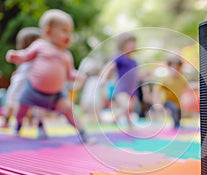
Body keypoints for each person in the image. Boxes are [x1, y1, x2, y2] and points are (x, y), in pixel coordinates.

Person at [5, 9, 88, 142]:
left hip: (56, 94)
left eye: (70, 31)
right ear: (48, 31)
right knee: (21, 108)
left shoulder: (66, 55)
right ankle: (18, 124)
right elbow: (26, 55)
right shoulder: (40, 45)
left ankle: (83, 133)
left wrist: (78, 75)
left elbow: (70, 73)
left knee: (68, 109)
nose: (69, 35)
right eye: (64, 31)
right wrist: (16, 56)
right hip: (32, 89)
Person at [1, 27, 42, 130]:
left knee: (31, 105)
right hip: (19, 84)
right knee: (11, 102)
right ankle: (6, 119)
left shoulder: (39, 57)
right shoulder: (25, 55)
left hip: (30, 85)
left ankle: (31, 120)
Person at [101, 32, 138, 129]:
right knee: (126, 106)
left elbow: (135, 75)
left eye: (134, 43)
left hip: (132, 90)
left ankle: (129, 125)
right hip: (121, 89)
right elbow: (109, 67)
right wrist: (104, 78)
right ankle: (114, 118)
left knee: (128, 109)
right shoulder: (120, 58)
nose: (133, 45)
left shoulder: (134, 62)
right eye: (130, 43)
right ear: (123, 45)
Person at [152, 55, 187, 129]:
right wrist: (156, 103)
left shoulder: (182, 80)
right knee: (174, 108)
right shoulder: (166, 79)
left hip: (177, 101)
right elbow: (156, 90)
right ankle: (176, 125)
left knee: (178, 111)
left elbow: (186, 89)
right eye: (173, 68)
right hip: (167, 101)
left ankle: (178, 124)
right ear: (169, 68)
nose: (175, 70)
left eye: (177, 68)